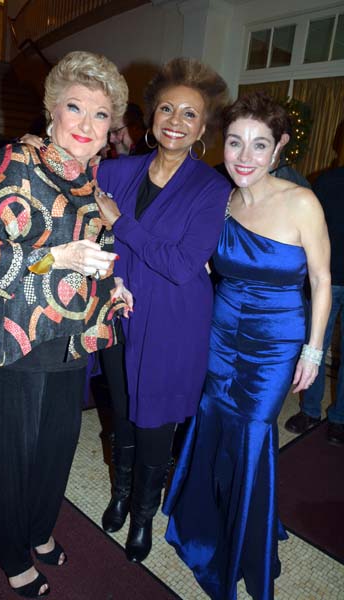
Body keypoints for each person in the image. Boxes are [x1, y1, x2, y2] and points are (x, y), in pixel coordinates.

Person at [0, 50, 132, 598]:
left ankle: (37, 528)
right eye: (75, 108)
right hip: (12, 332)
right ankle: (10, 551)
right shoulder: (18, 162)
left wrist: (112, 285)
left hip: (70, 334)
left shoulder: (88, 177)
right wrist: (57, 260)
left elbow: (89, 251)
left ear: (111, 128)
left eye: (100, 114)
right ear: (52, 112)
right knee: (12, 449)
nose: (85, 124)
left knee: (57, 442)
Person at [163, 92, 331, 600]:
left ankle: (244, 542)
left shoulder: (301, 202)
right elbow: (207, 266)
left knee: (254, 433)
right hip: (220, 333)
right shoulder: (222, 200)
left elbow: (323, 281)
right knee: (211, 422)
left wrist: (313, 350)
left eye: (259, 145)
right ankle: (204, 521)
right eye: (235, 142)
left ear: (279, 147)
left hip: (275, 342)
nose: (244, 156)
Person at [94, 58, 231, 564]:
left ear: (203, 128)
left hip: (174, 321)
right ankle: (118, 494)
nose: (175, 119)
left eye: (189, 114)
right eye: (167, 108)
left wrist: (122, 223)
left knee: (155, 423)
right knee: (123, 413)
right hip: (117, 312)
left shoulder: (211, 188)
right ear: (150, 116)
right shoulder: (114, 170)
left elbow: (181, 264)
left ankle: (144, 515)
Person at [285, 160, 344, 445]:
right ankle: (311, 410)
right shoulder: (325, 182)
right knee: (314, 345)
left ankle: (339, 417)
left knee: (316, 345)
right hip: (326, 280)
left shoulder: (323, 181)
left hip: (327, 278)